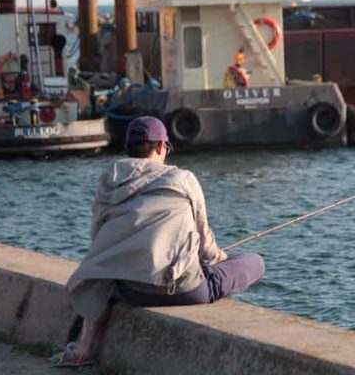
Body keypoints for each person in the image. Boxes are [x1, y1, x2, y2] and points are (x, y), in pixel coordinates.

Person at [52, 116, 265, 367]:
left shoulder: (109, 180)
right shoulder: (183, 179)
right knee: (254, 262)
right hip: (183, 290)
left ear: (129, 148)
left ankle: (84, 347)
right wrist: (221, 259)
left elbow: (98, 239)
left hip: (130, 290)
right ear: (162, 147)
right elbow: (207, 250)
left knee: (105, 277)